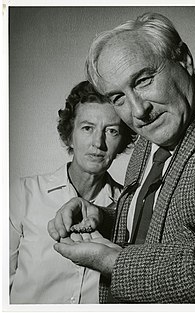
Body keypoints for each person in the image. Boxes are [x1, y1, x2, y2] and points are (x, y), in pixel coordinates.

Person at [48, 13, 195, 303]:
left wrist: (114, 263)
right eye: (118, 98)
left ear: (185, 60)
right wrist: (101, 217)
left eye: (143, 80)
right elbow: (151, 220)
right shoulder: (151, 134)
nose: (138, 111)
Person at [9, 80, 135, 304]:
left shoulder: (130, 208)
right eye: (88, 128)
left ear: (123, 140)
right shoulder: (21, 195)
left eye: (112, 131)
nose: (98, 142)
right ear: (69, 135)